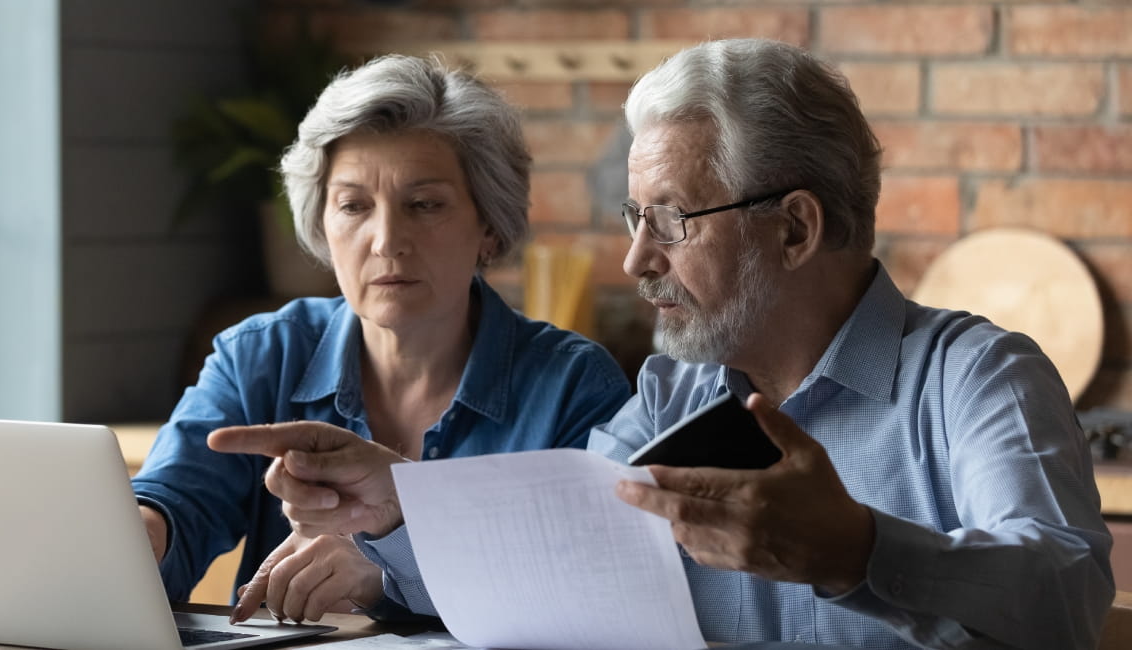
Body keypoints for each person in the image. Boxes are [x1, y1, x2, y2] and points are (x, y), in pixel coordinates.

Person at [210, 39, 1114, 649]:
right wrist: (402, 506)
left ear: (794, 229)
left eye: (671, 221)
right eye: (634, 218)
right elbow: (548, 565)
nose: (636, 259)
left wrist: (855, 552)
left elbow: (1067, 598)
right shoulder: (673, 393)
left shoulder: (975, 377)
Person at [131, 53, 631, 623]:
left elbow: (589, 589)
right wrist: (144, 534)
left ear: (489, 227)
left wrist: (392, 574)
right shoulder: (261, 356)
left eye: (424, 205)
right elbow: (177, 500)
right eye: (354, 206)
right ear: (322, 225)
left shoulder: (574, 387)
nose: (387, 240)